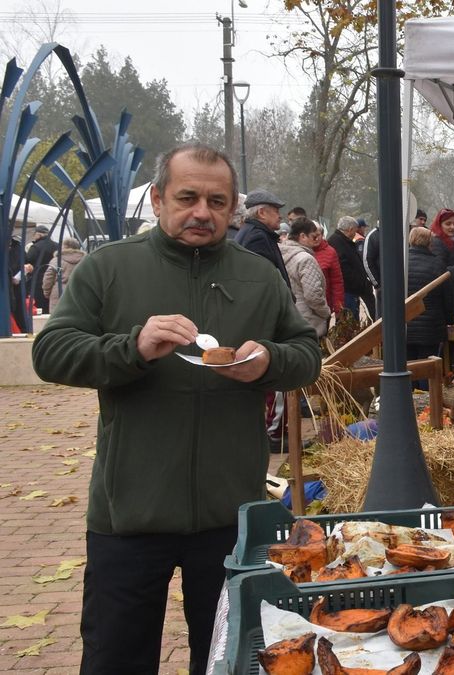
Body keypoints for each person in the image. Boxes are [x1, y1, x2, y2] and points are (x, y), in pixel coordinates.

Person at [31, 143, 321, 675]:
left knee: (232, 657)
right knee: (116, 657)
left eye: (216, 200)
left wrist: (269, 362)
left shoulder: (258, 275)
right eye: (187, 197)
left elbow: (307, 355)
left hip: (230, 513)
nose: (201, 212)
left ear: (233, 209)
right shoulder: (109, 268)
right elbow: (50, 353)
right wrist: (131, 348)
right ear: (159, 200)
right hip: (130, 511)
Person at [406, 226, 454, 389]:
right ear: (429, 242)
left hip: (406, 325)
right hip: (431, 326)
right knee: (427, 368)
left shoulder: (401, 263)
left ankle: (411, 404)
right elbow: (447, 297)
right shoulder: (438, 264)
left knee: (408, 367)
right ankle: (427, 407)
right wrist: (450, 320)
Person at [280, 217, 332, 338]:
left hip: (288, 318)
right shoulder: (306, 259)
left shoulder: (281, 253)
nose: (317, 240)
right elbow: (313, 296)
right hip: (308, 321)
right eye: (314, 237)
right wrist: (326, 312)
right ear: (303, 236)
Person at [235, 189, 290, 289]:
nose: (280, 216)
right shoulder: (257, 238)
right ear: (262, 213)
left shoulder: (250, 232)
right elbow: (263, 283)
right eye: (276, 211)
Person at [329, 215, 375, 320]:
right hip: (347, 291)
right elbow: (344, 270)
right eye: (355, 231)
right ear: (350, 230)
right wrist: (359, 282)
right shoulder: (337, 243)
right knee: (349, 322)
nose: (355, 234)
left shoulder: (342, 241)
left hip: (352, 290)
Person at [41, 236, 86, 313]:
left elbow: (48, 278)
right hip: (79, 293)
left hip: (59, 294)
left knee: (58, 320)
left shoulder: (57, 260)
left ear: (65, 247)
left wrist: (47, 292)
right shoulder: (85, 260)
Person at [311, 223, 345, 318]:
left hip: (325, 305)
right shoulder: (302, 251)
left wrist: (339, 307)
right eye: (313, 236)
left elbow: (337, 282)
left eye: (319, 235)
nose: (316, 238)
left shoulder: (330, 252)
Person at [26, 224, 56, 313]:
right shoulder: (57, 246)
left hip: (37, 280)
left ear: (39, 235)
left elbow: (27, 260)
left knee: (39, 307)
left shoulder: (35, 247)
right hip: (53, 280)